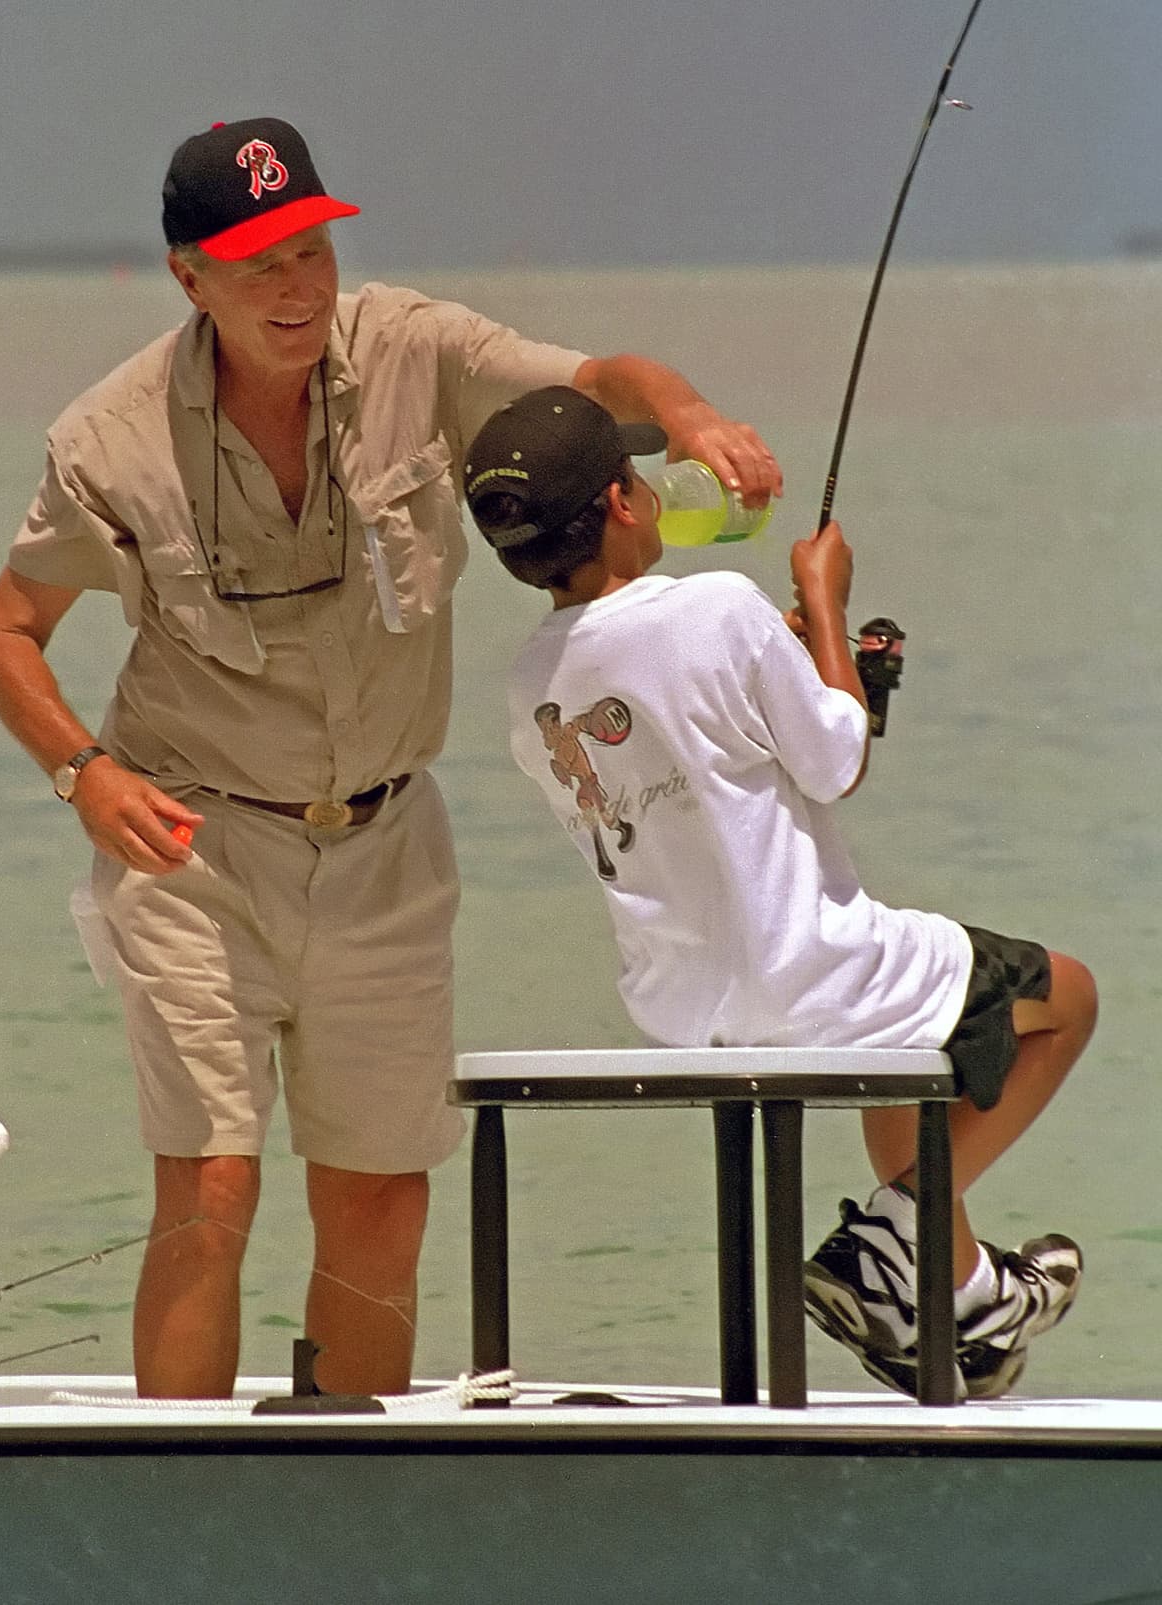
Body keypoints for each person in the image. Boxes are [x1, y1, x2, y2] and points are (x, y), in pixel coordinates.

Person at [0, 117, 783, 1400]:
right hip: (192, 848)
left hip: (387, 843)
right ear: (189, 277)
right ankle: (180, 1517)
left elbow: (595, 380)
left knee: (381, 1202)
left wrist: (685, 414)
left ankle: (339, 1496)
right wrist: (86, 775)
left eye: (309, 251)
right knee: (210, 1186)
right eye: (256, 265)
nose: (295, 289)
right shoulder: (105, 441)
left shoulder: (419, 350)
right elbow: (4, 631)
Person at [462, 384, 1098, 1399]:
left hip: (683, 1011)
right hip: (806, 972)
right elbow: (835, 759)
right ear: (626, 505)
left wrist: (806, 665)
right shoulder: (715, 604)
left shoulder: (526, 684)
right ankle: (890, 1240)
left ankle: (966, 1298)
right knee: (1064, 996)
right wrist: (827, 609)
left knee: (915, 1037)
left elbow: (693, 757)